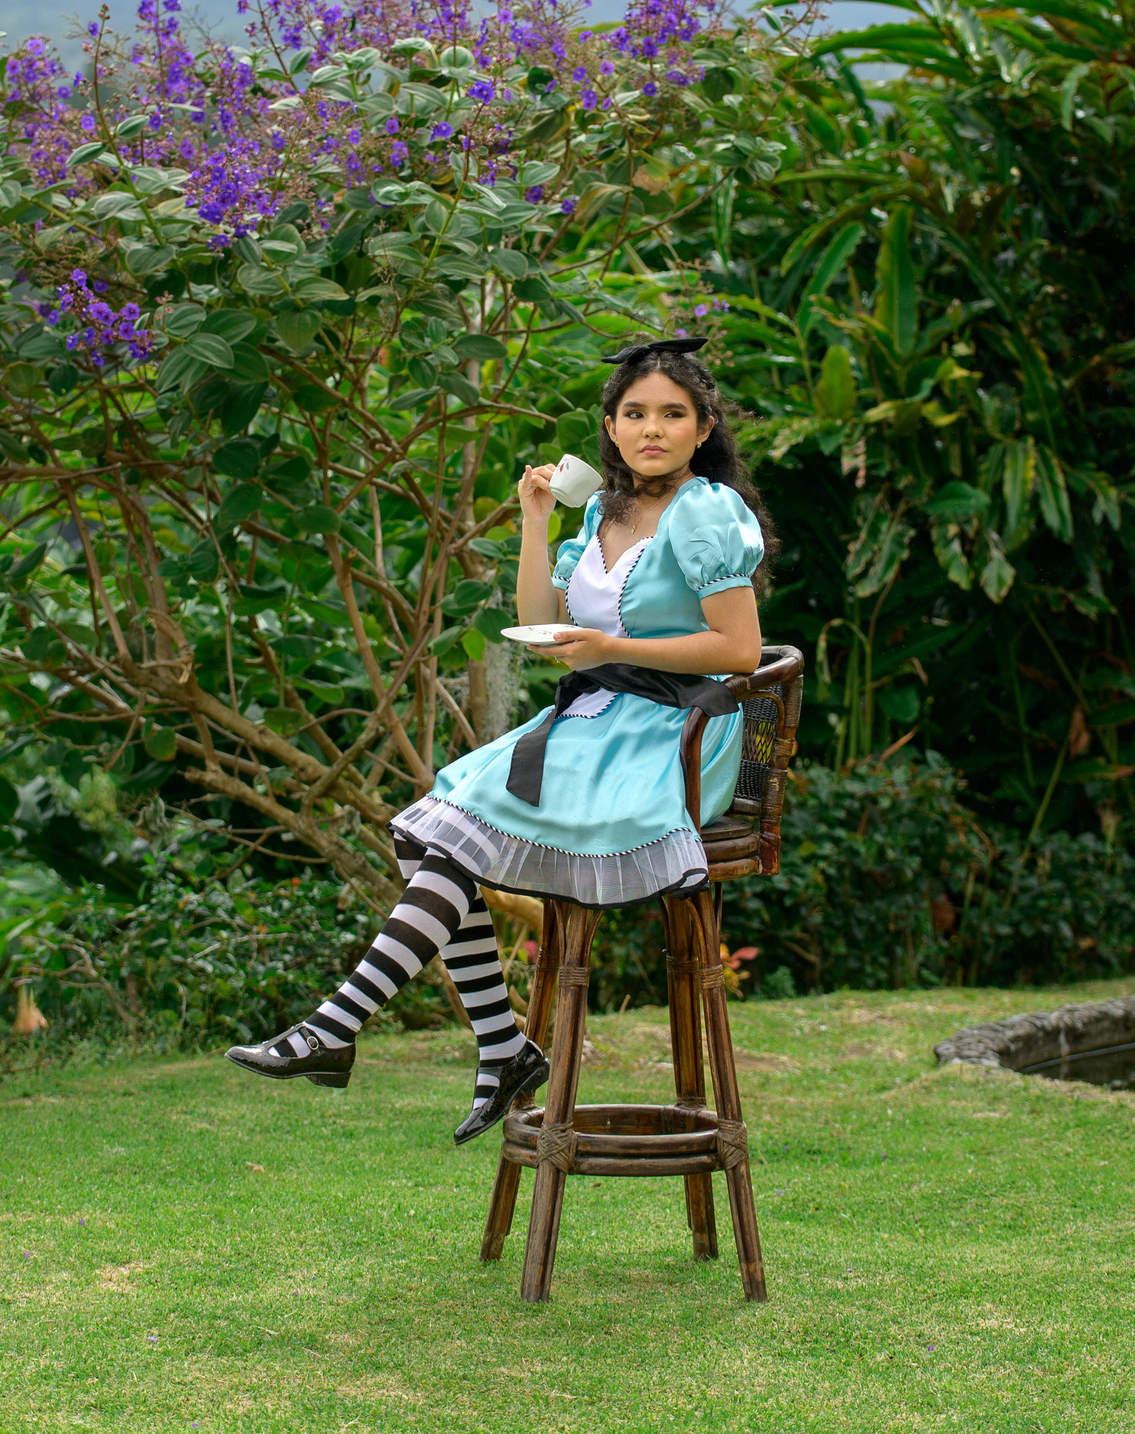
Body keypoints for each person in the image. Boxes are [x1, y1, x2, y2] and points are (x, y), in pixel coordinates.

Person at [226, 336, 773, 1144]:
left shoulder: (706, 513)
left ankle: (342, 1028)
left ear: (703, 427)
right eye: (634, 413)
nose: (651, 429)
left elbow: (739, 653)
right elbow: (547, 617)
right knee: (431, 833)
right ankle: (495, 1046)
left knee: (448, 835)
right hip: (594, 719)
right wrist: (535, 519)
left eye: (672, 414)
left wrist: (612, 650)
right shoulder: (603, 509)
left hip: (674, 735)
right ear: (611, 428)